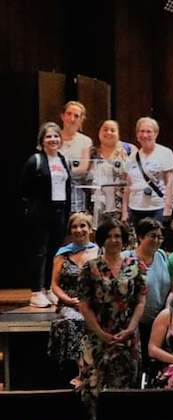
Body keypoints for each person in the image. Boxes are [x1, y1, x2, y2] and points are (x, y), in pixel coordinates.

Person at [77, 218, 147, 419]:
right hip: (97, 336)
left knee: (125, 392)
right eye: (109, 236)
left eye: (117, 236)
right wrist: (101, 333)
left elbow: (141, 301)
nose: (114, 240)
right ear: (101, 239)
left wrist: (130, 329)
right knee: (93, 390)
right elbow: (83, 304)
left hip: (127, 336)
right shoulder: (90, 267)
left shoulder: (135, 265)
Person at [21, 122, 73, 308]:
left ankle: (47, 288)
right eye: (49, 136)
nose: (53, 139)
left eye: (56, 136)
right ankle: (36, 291)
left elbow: (68, 188)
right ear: (42, 141)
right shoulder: (35, 160)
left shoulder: (63, 160)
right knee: (39, 252)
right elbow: (24, 189)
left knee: (54, 252)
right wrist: (31, 210)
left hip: (60, 211)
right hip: (40, 212)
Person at [47, 212, 98, 385]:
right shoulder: (62, 254)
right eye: (75, 226)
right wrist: (68, 300)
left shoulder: (98, 252)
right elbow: (54, 285)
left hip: (91, 302)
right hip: (69, 302)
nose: (79, 230)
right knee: (72, 320)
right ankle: (82, 370)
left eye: (83, 226)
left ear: (90, 229)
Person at [125, 218, 172, 370]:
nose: (157, 240)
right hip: (135, 322)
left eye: (160, 237)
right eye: (152, 236)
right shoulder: (127, 258)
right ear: (140, 237)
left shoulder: (162, 256)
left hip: (160, 321)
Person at [126, 117, 173, 225]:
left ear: (156, 134)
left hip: (158, 206)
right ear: (137, 135)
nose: (145, 135)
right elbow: (128, 185)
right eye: (141, 131)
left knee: (155, 238)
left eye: (149, 131)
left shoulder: (165, 153)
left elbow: (170, 182)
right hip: (135, 207)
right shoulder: (132, 157)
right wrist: (125, 211)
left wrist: (168, 208)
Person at [89, 120, 135, 226]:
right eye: (105, 129)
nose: (108, 133)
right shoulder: (92, 152)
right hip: (98, 203)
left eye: (112, 130)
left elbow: (134, 175)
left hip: (122, 204)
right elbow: (86, 176)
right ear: (99, 132)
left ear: (118, 133)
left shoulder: (129, 149)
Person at [59, 101, 93, 214]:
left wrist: (59, 171)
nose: (72, 118)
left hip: (76, 193)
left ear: (81, 119)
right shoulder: (53, 137)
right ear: (62, 116)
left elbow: (82, 169)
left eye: (76, 116)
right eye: (69, 114)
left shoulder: (85, 141)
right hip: (55, 191)